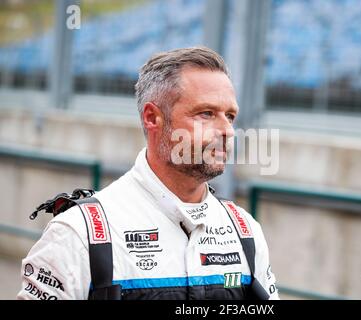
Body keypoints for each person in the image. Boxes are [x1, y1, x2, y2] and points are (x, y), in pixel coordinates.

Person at [17, 46, 279, 300]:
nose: (227, 131)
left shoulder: (244, 230)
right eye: (206, 113)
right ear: (152, 118)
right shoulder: (78, 233)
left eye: (230, 116)